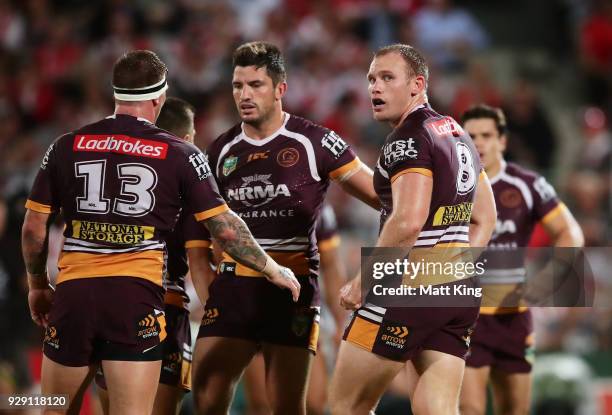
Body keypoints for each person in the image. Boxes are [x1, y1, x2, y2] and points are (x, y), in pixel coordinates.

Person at [21, 50, 299, 415]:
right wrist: (272, 268)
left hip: (75, 296)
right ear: (159, 97)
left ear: (116, 94)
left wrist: (38, 284)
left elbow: (32, 229)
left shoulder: (66, 145)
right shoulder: (180, 153)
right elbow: (225, 229)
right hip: (134, 298)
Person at [192, 41, 380, 415]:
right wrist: (208, 287)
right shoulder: (220, 151)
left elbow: (382, 196)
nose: (244, 95)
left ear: (280, 89)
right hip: (235, 288)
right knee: (207, 399)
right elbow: (198, 233)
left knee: (290, 407)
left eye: (256, 85)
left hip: (293, 292)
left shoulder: (315, 142)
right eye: (237, 85)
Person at [329, 43, 497, 415]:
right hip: (458, 290)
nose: (375, 87)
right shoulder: (458, 133)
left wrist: (362, 282)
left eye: (388, 78)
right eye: (372, 78)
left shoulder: (406, 139)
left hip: (406, 286)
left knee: (345, 406)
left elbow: (407, 221)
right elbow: (486, 217)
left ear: (417, 84)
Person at [458, 104, 584, 415]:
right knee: (470, 408)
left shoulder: (527, 185)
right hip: (464, 317)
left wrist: (547, 280)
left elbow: (570, 234)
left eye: (486, 135)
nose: (479, 143)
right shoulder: (450, 186)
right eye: (470, 136)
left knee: (515, 410)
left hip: (513, 316)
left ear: (502, 141)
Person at [94, 97, 213, 415]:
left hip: (110, 303)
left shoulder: (111, 182)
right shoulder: (192, 191)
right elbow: (200, 268)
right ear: (188, 140)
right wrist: (226, 321)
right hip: (164, 309)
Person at [241, 203, 349, 415]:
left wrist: (341, 322)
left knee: (315, 404)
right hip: (255, 308)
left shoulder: (315, 201)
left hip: (301, 310)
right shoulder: (244, 193)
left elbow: (331, 263)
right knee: (262, 405)